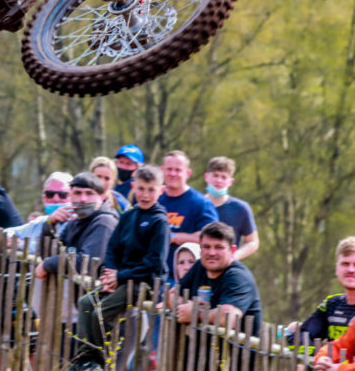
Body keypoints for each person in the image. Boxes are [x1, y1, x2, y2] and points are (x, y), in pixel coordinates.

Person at [68, 165, 170, 371]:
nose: (145, 195)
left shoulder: (159, 221)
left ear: (161, 190)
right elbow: (112, 248)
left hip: (144, 282)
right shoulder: (128, 216)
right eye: (141, 189)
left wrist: (120, 276)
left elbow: (154, 263)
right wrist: (110, 273)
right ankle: (85, 356)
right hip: (121, 277)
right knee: (85, 303)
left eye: (151, 190)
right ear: (133, 187)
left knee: (101, 311)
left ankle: (100, 359)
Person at [166, 222, 262, 333]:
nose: (211, 253)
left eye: (219, 247)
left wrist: (196, 314)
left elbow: (227, 318)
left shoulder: (238, 276)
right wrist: (187, 309)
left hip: (233, 344)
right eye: (206, 247)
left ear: (232, 250)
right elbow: (172, 295)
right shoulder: (200, 266)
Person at [287, 236, 355, 345]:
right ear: (336, 268)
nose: (350, 269)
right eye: (345, 264)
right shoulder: (330, 305)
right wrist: (323, 353)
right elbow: (298, 338)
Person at [34, 172, 120, 280]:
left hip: (95, 289)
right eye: (77, 193)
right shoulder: (74, 222)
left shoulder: (105, 222)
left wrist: (48, 264)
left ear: (102, 197)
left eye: (89, 193)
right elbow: (50, 254)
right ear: (70, 196)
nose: (83, 199)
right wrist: (50, 224)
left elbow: (87, 263)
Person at [158, 150, 219, 280]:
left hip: (188, 277)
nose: (173, 174)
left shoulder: (201, 203)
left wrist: (174, 237)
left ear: (188, 173)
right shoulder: (154, 199)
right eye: (169, 169)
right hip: (155, 274)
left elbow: (211, 239)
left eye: (178, 170)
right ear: (162, 170)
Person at [203, 156, 258, 261]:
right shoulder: (197, 204)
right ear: (206, 177)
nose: (219, 180)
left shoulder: (241, 208)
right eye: (215, 175)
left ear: (231, 181)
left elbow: (253, 242)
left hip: (227, 266)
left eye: (224, 177)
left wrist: (233, 257)